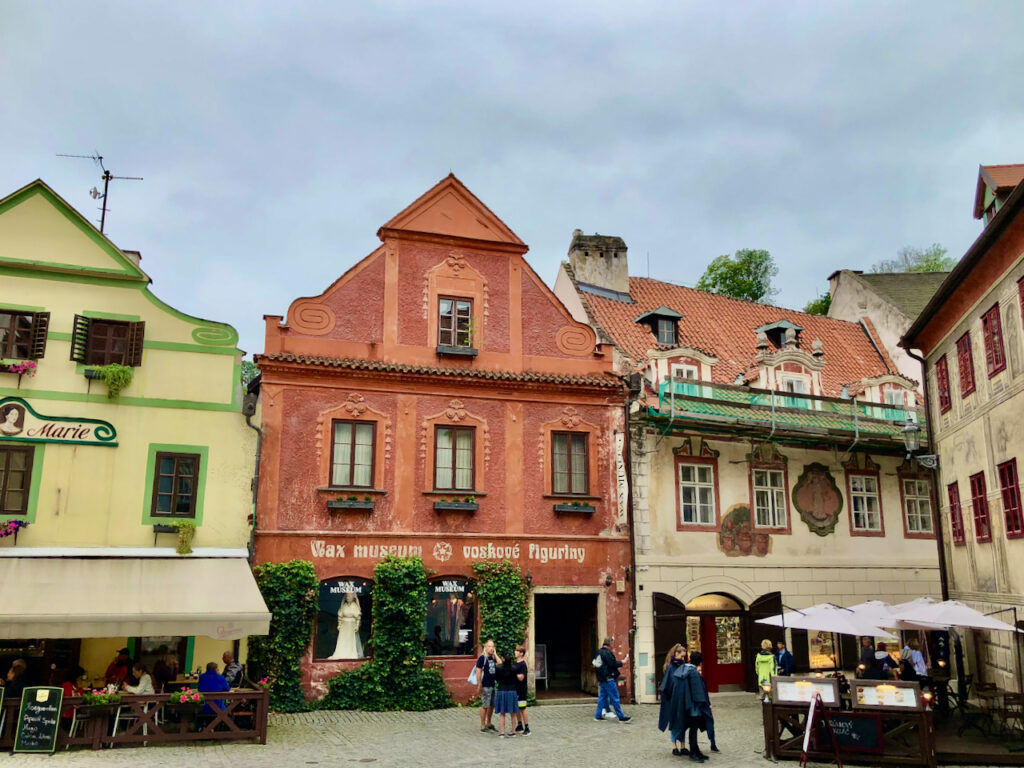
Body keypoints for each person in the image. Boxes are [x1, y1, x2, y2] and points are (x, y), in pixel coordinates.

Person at [661, 650, 710, 762]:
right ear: (699, 663)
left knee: (691, 729)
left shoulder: (683, 669)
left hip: (685, 704)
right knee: (693, 730)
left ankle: (695, 751)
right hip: (694, 706)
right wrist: (704, 704)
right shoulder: (693, 672)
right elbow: (698, 691)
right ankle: (694, 752)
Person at [658, 643, 688, 756]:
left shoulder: (684, 666)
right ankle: (674, 746)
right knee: (674, 723)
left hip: (682, 699)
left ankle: (683, 746)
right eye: (681, 656)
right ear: (676, 654)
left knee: (683, 722)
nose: (683, 658)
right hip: (672, 700)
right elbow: (667, 685)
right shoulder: (670, 667)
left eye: (684, 657)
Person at [594, 636, 630, 722]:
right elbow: (612, 663)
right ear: (610, 643)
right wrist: (622, 662)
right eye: (613, 643)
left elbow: (595, 664)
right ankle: (621, 717)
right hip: (608, 678)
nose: (613, 645)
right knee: (615, 697)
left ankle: (598, 715)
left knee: (602, 697)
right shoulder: (607, 653)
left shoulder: (599, 652)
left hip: (602, 678)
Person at [492, 650, 519, 738]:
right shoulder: (514, 668)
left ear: (502, 658)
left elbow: (496, 678)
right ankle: (514, 731)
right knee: (513, 713)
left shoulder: (498, 668)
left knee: (502, 713)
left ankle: (502, 732)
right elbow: (516, 680)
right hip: (512, 690)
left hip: (502, 690)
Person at [475, 640, 497, 733]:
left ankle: (489, 722)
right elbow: (478, 671)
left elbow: (500, 664)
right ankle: (483, 725)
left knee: (492, 705)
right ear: (486, 647)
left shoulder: (493, 658)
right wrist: (479, 684)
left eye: (493, 646)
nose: (491, 648)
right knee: (485, 705)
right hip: (485, 685)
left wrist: (495, 654)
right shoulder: (482, 658)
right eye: (489, 646)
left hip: (493, 684)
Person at [513, 645, 530, 736]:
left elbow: (521, 677)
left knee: (522, 708)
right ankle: (519, 724)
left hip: (521, 689)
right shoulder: (516, 663)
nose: (515, 652)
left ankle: (527, 727)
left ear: (521, 653)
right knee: (517, 708)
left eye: (517, 651)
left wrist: (513, 674)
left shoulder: (522, 664)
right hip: (515, 689)